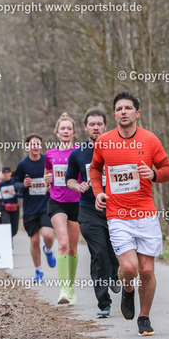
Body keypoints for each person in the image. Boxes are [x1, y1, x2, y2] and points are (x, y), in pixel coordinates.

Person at [90, 92, 169, 336]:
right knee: (129, 268)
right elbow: (95, 169)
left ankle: (144, 317)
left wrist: (154, 174)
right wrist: (98, 192)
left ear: (137, 113)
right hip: (117, 214)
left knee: (146, 271)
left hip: (145, 214)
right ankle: (128, 291)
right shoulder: (104, 142)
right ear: (114, 115)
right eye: (119, 109)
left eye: (128, 108)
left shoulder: (150, 140)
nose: (123, 112)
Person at [66, 107, 120, 318]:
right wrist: (77, 186)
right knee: (98, 252)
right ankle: (103, 302)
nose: (96, 127)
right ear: (85, 127)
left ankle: (114, 271)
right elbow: (69, 179)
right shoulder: (77, 153)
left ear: (106, 126)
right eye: (92, 124)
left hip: (115, 208)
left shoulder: (116, 148)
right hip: (89, 209)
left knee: (114, 251)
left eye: (99, 124)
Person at [44, 113, 81, 305]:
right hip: (57, 201)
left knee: (73, 247)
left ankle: (72, 287)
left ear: (74, 133)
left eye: (69, 129)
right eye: (62, 129)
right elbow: (47, 176)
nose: (66, 131)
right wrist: (47, 179)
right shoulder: (50, 154)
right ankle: (63, 290)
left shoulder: (80, 152)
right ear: (57, 132)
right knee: (63, 244)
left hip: (76, 202)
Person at [13, 134, 56, 282]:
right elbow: (15, 183)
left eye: (38, 144)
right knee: (35, 241)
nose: (35, 147)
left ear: (41, 145)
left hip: (46, 205)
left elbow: (57, 178)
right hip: (30, 208)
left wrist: (51, 184)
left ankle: (48, 250)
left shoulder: (47, 161)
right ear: (27, 146)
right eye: (32, 144)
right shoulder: (23, 165)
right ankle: (39, 271)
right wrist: (23, 185)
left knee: (48, 235)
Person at [0, 166, 22, 239]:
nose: (6, 174)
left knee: (14, 229)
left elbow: (22, 194)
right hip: (4, 208)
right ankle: (9, 243)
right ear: (2, 174)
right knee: (6, 225)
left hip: (14, 208)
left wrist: (14, 194)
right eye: (4, 173)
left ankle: (10, 238)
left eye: (7, 172)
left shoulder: (15, 183)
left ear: (10, 173)